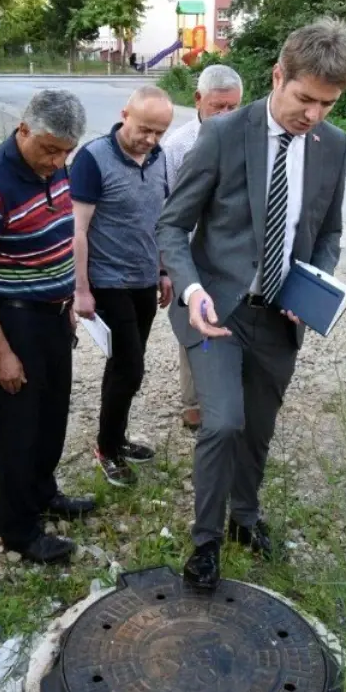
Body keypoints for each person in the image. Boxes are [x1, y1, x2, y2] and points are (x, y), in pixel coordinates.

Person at [157, 17, 346, 591]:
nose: (313, 114)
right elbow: (173, 226)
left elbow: (329, 233)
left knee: (258, 427)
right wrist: (191, 291)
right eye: (305, 98)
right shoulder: (221, 134)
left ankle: (244, 518)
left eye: (328, 104)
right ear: (278, 75)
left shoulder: (332, 146)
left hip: (279, 312)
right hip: (214, 307)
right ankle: (206, 543)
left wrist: (315, 283)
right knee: (222, 423)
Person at [0, 90, 96, 565]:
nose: (57, 161)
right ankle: (18, 528)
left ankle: (43, 493)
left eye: (66, 152)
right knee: (16, 430)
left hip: (55, 316)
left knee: (51, 417)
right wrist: (0, 350)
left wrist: (70, 303)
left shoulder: (56, 169)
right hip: (15, 321)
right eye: (49, 149)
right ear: (23, 130)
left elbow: (60, 237)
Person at [71, 86, 175, 486]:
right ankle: (107, 447)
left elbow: (160, 220)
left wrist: (164, 271)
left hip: (144, 280)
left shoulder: (159, 158)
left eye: (159, 132)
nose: (150, 139)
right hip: (107, 281)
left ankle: (115, 438)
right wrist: (81, 290)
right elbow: (78, 230)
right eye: (144, 128)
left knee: (123, 366)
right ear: (125, 114)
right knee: (130, 366)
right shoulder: (92, 159)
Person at [160, 65, 245, 430]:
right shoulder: (177, 146)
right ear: (198, 100)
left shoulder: (247, 139)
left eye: (233, 107)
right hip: (190, 252)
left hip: (231, 251)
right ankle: (193, 401)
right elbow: (167, 210)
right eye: (218, 107)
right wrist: (167, 267)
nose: (226, 115)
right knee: (194, 319)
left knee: (234, 317)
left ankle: (232, 393)